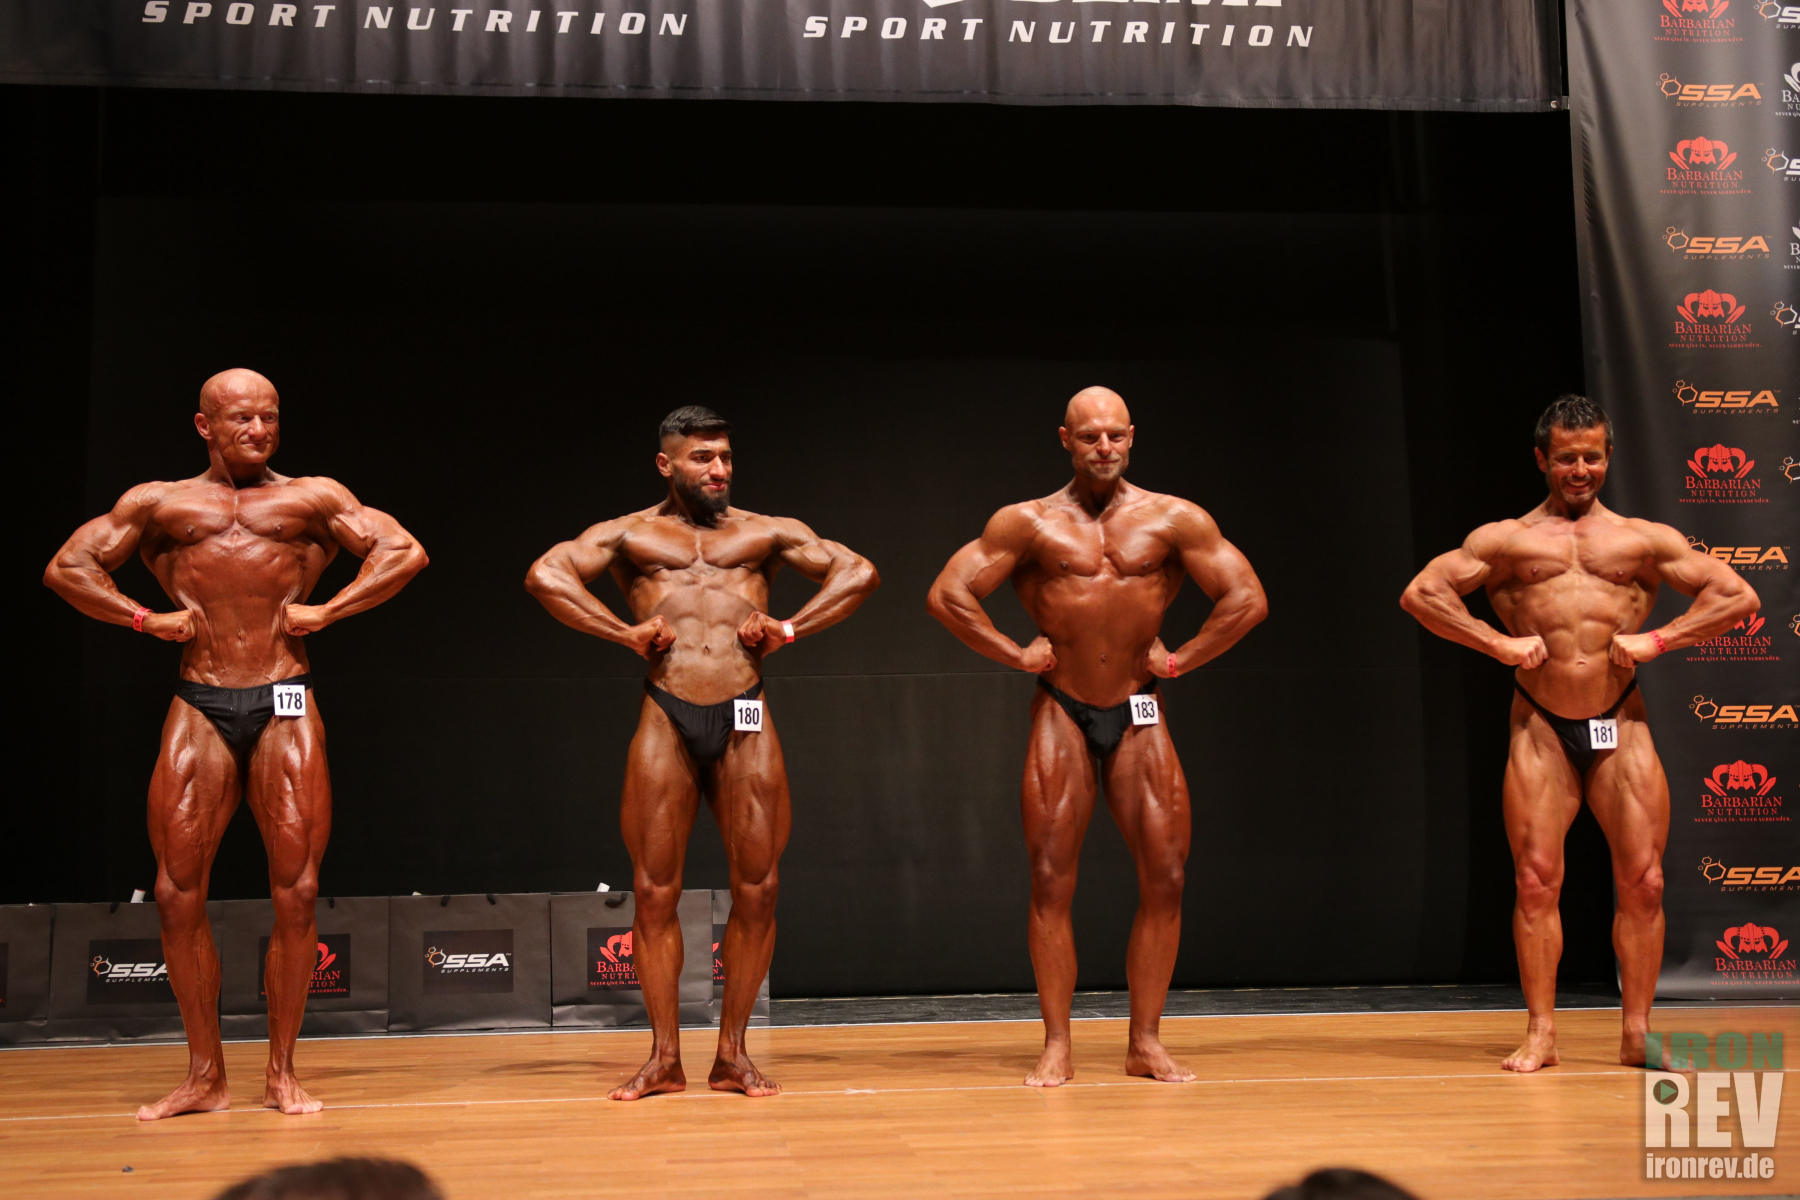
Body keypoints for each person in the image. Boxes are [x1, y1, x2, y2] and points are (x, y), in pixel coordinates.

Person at [43, 369, 428, 1118]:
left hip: (286, 696)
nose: (258, 430)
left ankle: (282, 1072)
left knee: (299, 890)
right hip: (200, 699)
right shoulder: (159, 503)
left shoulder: (313, 497)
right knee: (174, 892)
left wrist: (331, 610)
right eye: (242, 418)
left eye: (270, 417)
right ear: (204, 426)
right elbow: (67, 567)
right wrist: (142, 619)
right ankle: (204, 1075)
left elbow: (403, 551)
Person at [525, 405, 878, 1099]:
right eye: (702, 458)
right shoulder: (629, 533)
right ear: (666, 463)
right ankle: (664, 1058)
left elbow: (859, 572)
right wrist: (621, 633)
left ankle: (733, 1055)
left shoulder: (765, 530)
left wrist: (788, 629)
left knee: (760, 887)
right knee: (654, 891)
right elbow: (546, 575)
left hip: (746, 708)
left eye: (725, 457)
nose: (719, 469)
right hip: (667, 709)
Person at [1400, 395, 1757, 1072]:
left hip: (1621, 720)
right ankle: (1541, 1032)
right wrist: (1495, 644)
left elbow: (1738, 596)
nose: (1580, 469)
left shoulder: (1643, 540)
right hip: (1541, 726)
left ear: (1608, 457)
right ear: (1542, 459)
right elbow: (1422, 594)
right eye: (1567, 458)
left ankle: (1637, 1033)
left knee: (1644, 880)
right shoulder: (1506, 540)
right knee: (1536, 881)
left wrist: (1660, 639)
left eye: (1592, 456)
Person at [926, 386, 1267, 1087]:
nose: (1104, 447)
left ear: (1132, 436)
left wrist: (1181, 660)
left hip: (1139, 707)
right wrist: (1014, 654)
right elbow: (947, 595)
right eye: (1089, 437)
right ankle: (1057, 1042)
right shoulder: (1028, 523)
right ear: (1066, 440)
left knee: (1167, 875)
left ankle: (1146, 1041)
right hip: (1062, 709)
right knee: (1051, 878)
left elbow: (1247, 598)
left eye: (1115, 435)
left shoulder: (1174, 519)